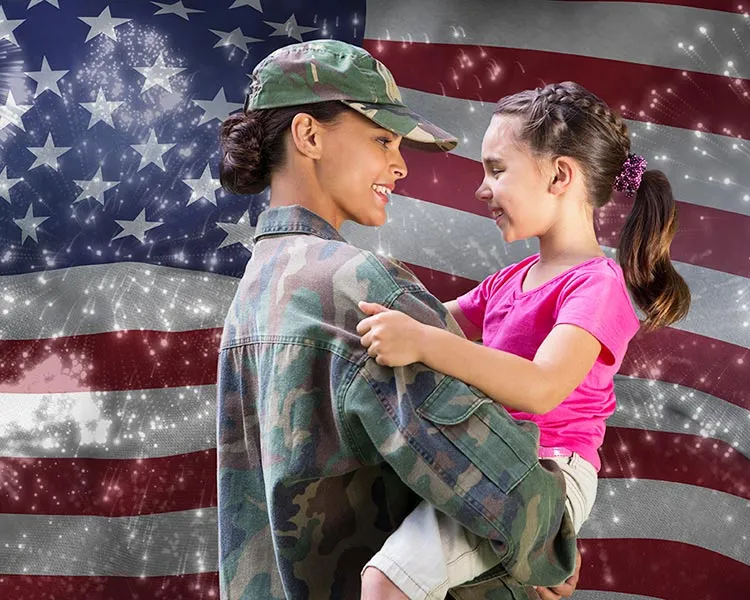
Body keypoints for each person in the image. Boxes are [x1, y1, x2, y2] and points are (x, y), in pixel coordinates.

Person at [215, 40, 581, 600]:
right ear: (309, 136)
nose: (400, 163)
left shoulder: (253, 297)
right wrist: (552, 535)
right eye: (382, 139)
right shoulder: (360, 285)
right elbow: (488, 474)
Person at [356, 81, 692, 600]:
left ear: (560, 175)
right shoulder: (510, 280)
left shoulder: (597, 285)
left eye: (497, 169)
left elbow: (540, 388)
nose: (481, 189)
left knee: (387, 582)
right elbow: (427, 318)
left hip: (547, 469)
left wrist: (422, 341)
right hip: (491, 455)